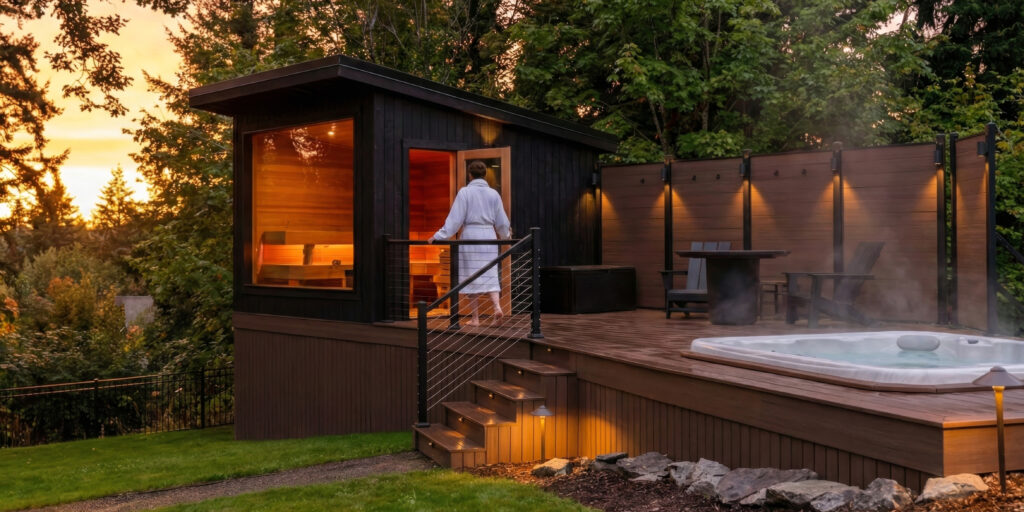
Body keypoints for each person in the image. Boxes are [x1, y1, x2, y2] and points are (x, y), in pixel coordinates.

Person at [428, 160, 511, 326]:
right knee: (490, 273)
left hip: (471, 236)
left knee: (471, 276)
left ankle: (475, 318)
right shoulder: (494, 194)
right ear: (485, 175)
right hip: (489, 236)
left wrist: (438, 236)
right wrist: (506, 235)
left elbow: (455, 220)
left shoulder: (465, 192)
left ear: (469, 175)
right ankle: (496, 307)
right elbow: (501, 221)